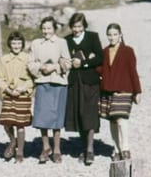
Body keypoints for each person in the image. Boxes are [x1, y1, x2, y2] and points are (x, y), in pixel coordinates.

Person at [27, 16, 71, 163]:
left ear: (54, 29)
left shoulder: (61, 42)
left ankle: (57, 149)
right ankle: (46, 147)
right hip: (42, 82)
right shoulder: (36, 44)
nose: (46, 31)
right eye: (44, 28)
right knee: (41, 115)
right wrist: (41, 68)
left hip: (58, 83)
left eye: (49, 28)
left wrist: (55, 67)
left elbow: (68, 62)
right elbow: (31, 63)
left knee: (56, 116)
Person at [97, 23, 142, 160]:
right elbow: (100, 68)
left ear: (120, 35)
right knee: (112, 121)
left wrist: (137, 91)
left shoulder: (128, 51)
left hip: (124, 89)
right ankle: (116, 149)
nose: (112, 37)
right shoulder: (104, 52)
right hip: (107, 89)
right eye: (109, 35)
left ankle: (125, 148)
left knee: (121, 119)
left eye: (115, 34)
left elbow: (133, 71)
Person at [64, 11, 103, 165]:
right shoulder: (67, 40)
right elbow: (63, 57)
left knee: (90, 113)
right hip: (74, 82)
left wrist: (84, 63)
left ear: (84, 26)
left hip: (90, 81)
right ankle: (82, 147)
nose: (77, 30)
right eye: (74, 27)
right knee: (79, 114)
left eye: (79, 26)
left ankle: (90, 148)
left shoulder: (92, 37)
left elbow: (100, 57)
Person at [0, 31, 34, 163]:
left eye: (19, 43)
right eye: (13, 43)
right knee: (6, 122)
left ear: (22, 44)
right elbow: (0, 78)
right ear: (9, 44)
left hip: (23, 94)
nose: (16, 46)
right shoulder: (4, 59)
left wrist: (23, 88)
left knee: (20, 124)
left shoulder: (28, 58)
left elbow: (32, 78)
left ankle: (20, 152)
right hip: (9, 94)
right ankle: (13, 141)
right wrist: (8, 90)